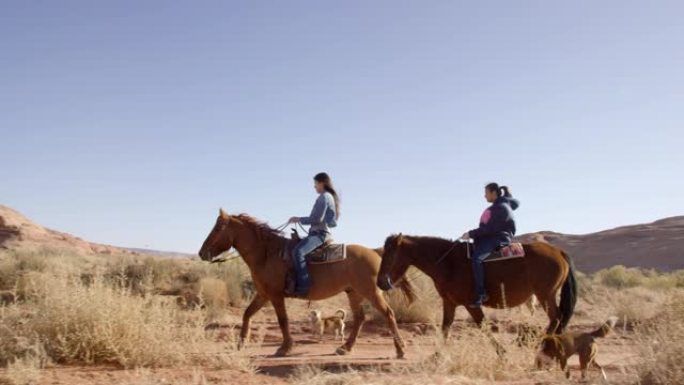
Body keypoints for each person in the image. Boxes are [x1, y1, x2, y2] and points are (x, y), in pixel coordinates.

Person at [461, 183, 520, 308]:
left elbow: (490, 228)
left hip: (497, 237)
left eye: (486, 193)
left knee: (477, 259)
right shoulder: (498, 206)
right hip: (492, 236)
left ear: (493, 193)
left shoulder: (500, 208)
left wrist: (471, 233)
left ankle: (481, 293)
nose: (484, 196)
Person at [288, 172, 340, 296]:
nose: (314, 186)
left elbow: (317, 219)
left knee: (298, 252)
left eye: (315, 183)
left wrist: (298, 219)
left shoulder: (324, 197)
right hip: (318, 232)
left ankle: (304, 286)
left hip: (320, 234)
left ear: (322, 183)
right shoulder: (327, 196)